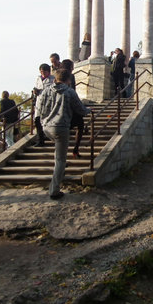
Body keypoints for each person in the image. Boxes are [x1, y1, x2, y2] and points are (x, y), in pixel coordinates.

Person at [37, 69, 90, 199]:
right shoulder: (69, 92)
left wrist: (44, 122)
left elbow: (40, 109)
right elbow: (80, 109)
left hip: (46, 127)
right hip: (61, 127)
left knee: (58, 153)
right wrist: (89, 110)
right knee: (61, 160)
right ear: (68, 80)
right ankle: (54, 190)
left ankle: (58, 172)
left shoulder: (46, 91)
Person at [61, 59, 85, 158]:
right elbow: (73, 91)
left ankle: (61, 155)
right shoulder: (70, 76)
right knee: (80, 125)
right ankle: (75, 148)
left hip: (58, 109)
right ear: (71, 67)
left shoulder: (56, 75)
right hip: (70, 106)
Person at [33, 63, 53, 146]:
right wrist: (35, 91)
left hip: (48, 102)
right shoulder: (38, 78)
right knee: (37, 121)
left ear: (48, 72)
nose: (43, 73)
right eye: (41, 72)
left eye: (44, 72)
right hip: (39, 102)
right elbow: (36, 87)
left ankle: (49, 136)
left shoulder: (52, 79)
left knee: (47, 122)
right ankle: (40, 140)